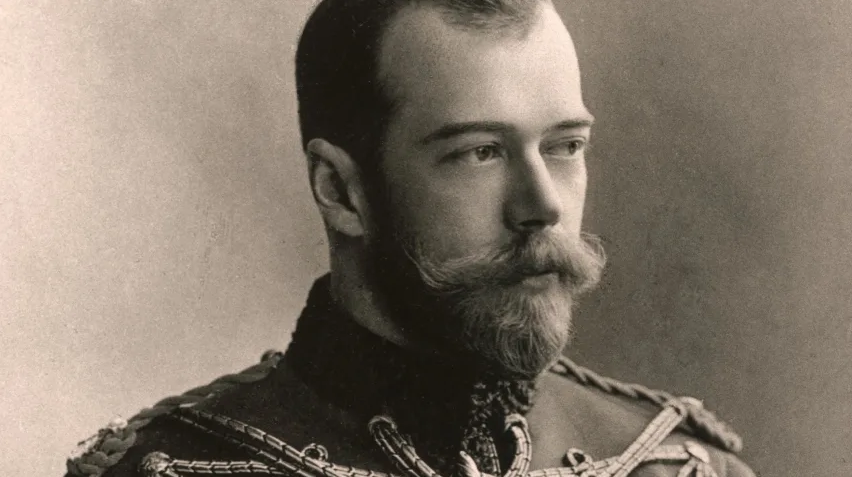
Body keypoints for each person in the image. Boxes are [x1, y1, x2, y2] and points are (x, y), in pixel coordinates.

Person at [66, 1, 756, 476]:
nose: (543, 206)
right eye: (479, 153)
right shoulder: (172, 467)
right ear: (341, 191)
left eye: (565, 145)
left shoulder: (677, 464)